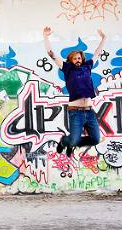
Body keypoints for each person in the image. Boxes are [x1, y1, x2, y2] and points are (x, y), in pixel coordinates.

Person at [43, 27, 106, 157]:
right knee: (74, 139)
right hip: (75, 111)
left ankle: (71, 145)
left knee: (95, 139)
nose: (78, 60)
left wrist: (104, 38)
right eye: (75, 58)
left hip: (89, 111)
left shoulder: (87, 66)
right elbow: (51, 54)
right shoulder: (67, 68)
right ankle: (65, 141)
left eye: (79, 58)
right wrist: (45, 36)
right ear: (71, 60)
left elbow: (98, 53)